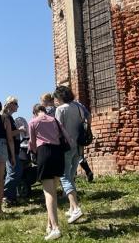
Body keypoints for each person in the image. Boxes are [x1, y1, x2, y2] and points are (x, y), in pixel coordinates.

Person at [29, 103, 73, 241]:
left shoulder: (33, 122)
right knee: (53, 191)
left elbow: (32, 143)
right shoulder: (54, 119)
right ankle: (49, 225)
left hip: (45, 153)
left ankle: (55, 228)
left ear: (35, 112)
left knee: (48, 193)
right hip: (58, 154)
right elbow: (65, 135)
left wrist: (34, 154)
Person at [53, 85, 85, 224]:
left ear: (60, 97)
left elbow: (57, 129)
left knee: (65, 177)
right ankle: (72, 208)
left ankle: (76, 208)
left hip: (66, 146)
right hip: (79, 145)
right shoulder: (78, 107)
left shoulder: (61, 109)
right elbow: (85, 121)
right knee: (71, 176)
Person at [3, 96, 25, 206]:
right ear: (10, 104)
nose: (17, 106)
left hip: (13, 149)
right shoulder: (6, 117)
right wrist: (19, 130)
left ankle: (10, 196)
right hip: (9, 149)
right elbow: (8, 135)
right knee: (13, 173)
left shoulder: (9, 117)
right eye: (16, 103)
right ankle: (6, 196)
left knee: (15, 171)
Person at [69, 98, 94, 182]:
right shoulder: (79, 105)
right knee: (79, 155)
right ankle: (88, 171)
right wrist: (87, 129)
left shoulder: (63, 107)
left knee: (70, 157)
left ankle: (72, 178)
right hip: (80, 134)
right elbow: (89, 116)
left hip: (69, 135)